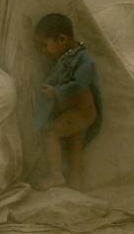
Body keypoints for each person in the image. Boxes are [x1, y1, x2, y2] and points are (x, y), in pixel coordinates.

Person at [33, 13, 102, 191]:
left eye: (44, 45)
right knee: (75, 149)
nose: (43, 51)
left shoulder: (84, 60)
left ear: (62, 39)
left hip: (82, 112)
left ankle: (55, 176)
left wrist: (56, 92)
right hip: (79, 112)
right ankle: (76, 184)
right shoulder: (69, 56)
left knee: (51, 134)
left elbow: (79, 85)